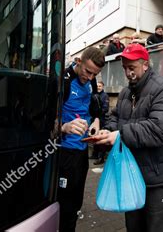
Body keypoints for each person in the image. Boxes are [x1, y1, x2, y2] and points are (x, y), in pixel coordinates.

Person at [94, 43, 163, 232]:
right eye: (125, 68)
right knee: (134, 226)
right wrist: (107, 131)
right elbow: (116, 117)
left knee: (158, 228)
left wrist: (120, 135)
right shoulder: (125, 92)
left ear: (145, 65)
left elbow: (160, 129)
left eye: (132, 67)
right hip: (133, 173)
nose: (128, 73)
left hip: (160, 175)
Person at [57, 47, 105, 232]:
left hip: (82, 149)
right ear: (78, 62)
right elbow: (42, 118)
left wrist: (96, 121)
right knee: (64, 202)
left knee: (76, 200)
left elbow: (94, 107)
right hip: (64, 150)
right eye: (87, 71)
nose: (90, 77)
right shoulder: (63, 81)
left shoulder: (91, 82)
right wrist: (63, 127)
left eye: (95, 74)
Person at [92, 81, 110, 165]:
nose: (98, 87)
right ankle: (95, 155)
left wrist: (98, 115)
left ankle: (101, 157)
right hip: (94, 119)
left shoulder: (105, 96)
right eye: (97, 86)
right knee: (94, 136)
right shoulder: (94, 94)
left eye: (100, 86)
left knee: (100, 138)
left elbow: (105, 108)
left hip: (102, 119)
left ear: (102, 87)